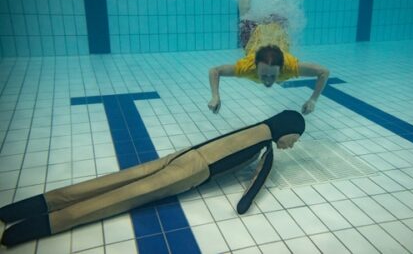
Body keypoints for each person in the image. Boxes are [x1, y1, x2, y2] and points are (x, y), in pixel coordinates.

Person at [0, 110, 305, 247]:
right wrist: (244, 204)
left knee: (112, 181)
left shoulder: (259, 127)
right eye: (296, 137)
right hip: (192, 170)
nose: (293, 144)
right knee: (120, 197)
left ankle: (24, 208)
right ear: (288, 129)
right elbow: (253, 190)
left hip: (183, 154)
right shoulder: (267, 146)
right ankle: (36, 227)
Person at [208, 0, 329, 115]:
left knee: (249, 13)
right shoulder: (248, 66)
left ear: (281, 67)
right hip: (258, 34)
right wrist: (215, 96)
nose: (267, 81)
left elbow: (324, 72)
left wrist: (313, 100)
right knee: (250, 12)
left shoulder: (290, 65)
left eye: (273, 76)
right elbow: (214, 71)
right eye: (264, 75)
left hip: (273, 29)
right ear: (256, 66)